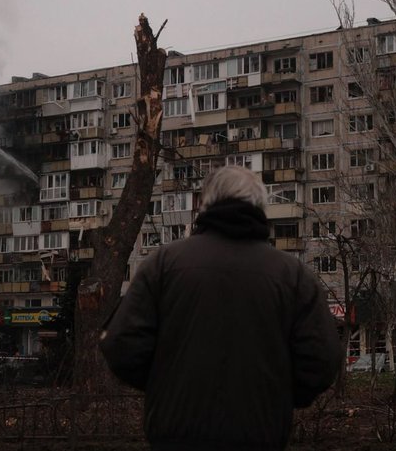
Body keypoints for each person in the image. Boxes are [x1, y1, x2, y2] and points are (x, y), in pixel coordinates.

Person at [100, 165, 342, 451]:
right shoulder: (293, 275)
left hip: (176, 437)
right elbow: (322, 359)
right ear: (260, 207)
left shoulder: (163, 264)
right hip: (260, 435)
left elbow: (121, 344)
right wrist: (280, 396)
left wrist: (165, 385)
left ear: (205, 203)